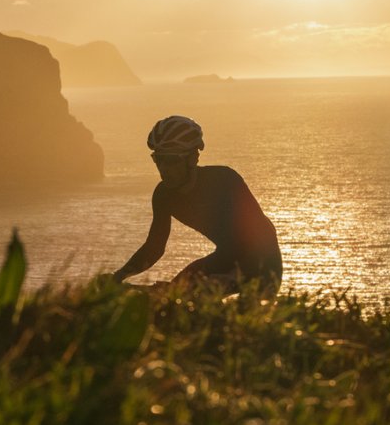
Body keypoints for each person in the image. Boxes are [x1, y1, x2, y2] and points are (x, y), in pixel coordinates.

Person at [113, 115, 282, 298]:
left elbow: (260, 239)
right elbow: (154, 247)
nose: (164, 168)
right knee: (171, 298)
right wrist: (118, 277)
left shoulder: (225, 180)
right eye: (158, 159)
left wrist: (226, 279)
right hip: (224, 259)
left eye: (171, 160)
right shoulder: (163, 195)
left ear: (193, 158)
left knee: (198, 304)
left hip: (263, 263)